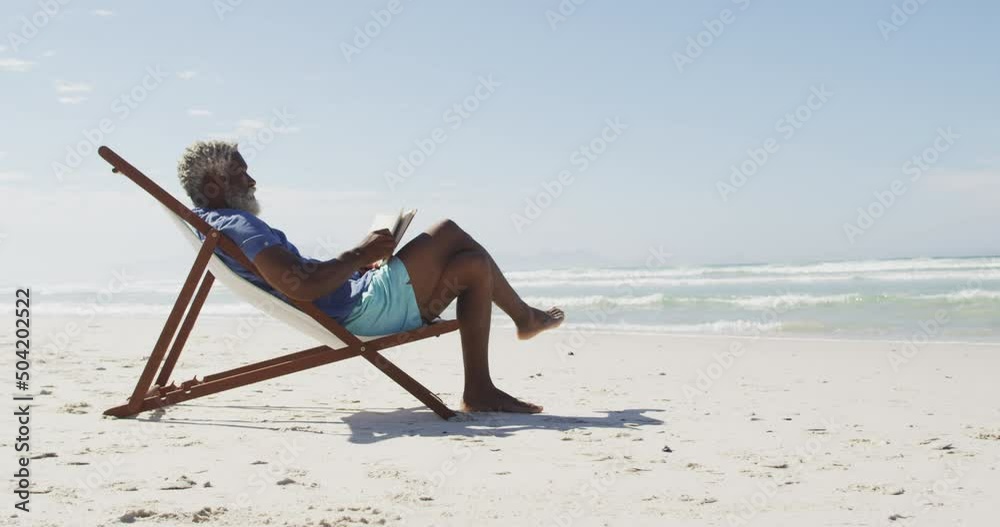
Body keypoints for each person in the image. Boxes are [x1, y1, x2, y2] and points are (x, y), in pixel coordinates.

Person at [176, 140, 564, 413]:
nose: (252, 180)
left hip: (358, 299)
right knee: (448, 230)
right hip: (363, 311)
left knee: (473, 265)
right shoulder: (238, 224)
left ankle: (480, 389)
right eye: (241, 174)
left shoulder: (216, 224)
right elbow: (298, 284)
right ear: (214, 187)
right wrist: (361, 252)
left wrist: (359, 264)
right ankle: (525, 319)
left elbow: (302, 280)